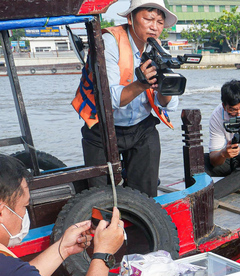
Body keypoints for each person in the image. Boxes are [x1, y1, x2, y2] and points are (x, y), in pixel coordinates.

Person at [73, 0, 179, 198]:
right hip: (102, 126)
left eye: (159, 22)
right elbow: (111, 99)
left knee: (146, 195)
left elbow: (167, 104)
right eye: (148, 19)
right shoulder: (109, 42)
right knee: (98, 195)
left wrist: (167, 84)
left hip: (140, 127)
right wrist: (141, 83)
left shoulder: (157, 49)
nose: (154, 26)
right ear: (130, 18)